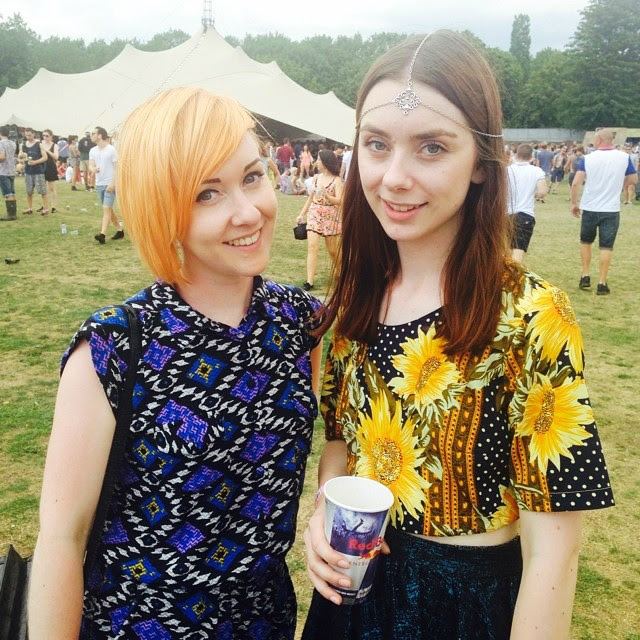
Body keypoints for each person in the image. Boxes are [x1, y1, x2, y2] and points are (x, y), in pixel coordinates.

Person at [302, 31, 614, 640]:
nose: (394, 177)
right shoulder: (359, 296)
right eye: (376, 144)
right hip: (348, 601)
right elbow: (339, 443)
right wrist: (323, 514)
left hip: (463, 608)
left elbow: (554, 553)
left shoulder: (530, 314)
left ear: (480, 163)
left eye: (431, 148)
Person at [28, 87, 323, 639]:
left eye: (252, 177)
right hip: (139, 626)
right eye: (207, 194)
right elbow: (62, 539)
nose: (248, 211)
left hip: (266, 624)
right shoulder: (113, 346)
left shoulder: (303, 321)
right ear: (161, 210)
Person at [570, 127, 637, 295]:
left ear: (598, 140)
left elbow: (576, 183)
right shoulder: (624, 157)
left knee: (586, 242)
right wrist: (620, 184)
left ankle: (585, 275)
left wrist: (574, 203)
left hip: (590, 207)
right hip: (611, 209)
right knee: (606, 246)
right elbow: (633, 179)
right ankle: (602, 282)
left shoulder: (588, 158)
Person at [296, 150, 344, 291]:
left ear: (326, 162)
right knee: (312, 247)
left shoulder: (337, 181)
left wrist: (327, 195)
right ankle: (309, 281)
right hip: (314, 213)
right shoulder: (316, 178)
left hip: (330, 216)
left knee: (333, 251)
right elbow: (311, 198)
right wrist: (301, 214)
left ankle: (341, 271)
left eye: (318, 160)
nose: (316, 162)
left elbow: (339, 201)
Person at [507, 143, 547, 263]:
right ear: (531, 157)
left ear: (516, 155)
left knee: (507, 249)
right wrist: (534, 194)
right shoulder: (537, 171)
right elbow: (542, 191)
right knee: (518, 249)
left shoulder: (506, 170)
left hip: (506, 213)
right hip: (525, 214)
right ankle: (513, 273)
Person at [89, 126, 125, 244]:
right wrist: (94, 169)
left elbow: (117, 169)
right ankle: (119, 230)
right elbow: (91, 165)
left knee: (106, 208)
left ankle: (102, 234)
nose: (91, 136)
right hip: (99, 183)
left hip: (110, 183)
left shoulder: (111, 150)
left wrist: (113, 183)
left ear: (100, 135)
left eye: (93, 133)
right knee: (108, 209)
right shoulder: (92, 151)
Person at [18, 127, 49, 215]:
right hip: (28, 171)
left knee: (42, 191)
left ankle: (46, 209)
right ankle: (29, 208)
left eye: (29, 135)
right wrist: (21, 157)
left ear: (34, 134)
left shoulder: (39, 144)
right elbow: (20, 156)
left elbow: (45, 157)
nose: (28, 137)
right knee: (29, 191)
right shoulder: (23, 144)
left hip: (38, 171)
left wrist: (35, 162)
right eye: (26, 135)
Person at [0, 125, 18, 221]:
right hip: (11, 170)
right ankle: (13, 213)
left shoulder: (1, 144)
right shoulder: (13, 143)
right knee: (12, 192)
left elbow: (2, 157)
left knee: (7, 193)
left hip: (3, 171)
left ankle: (10, 214)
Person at [41, 129, 60, 213]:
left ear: (51, 136)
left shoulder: (55, 145)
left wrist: (47, 150)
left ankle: (53, 207)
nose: (45, 137)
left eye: (47, 136)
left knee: (52, 188)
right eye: (43, 135)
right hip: (41, 166)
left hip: (50, 166)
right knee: (42, 188)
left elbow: (56, 157)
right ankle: (44, 206)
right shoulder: (40, 143)